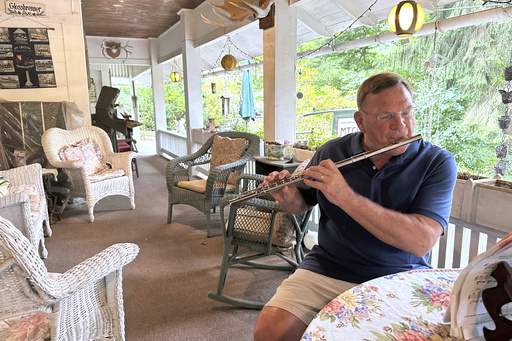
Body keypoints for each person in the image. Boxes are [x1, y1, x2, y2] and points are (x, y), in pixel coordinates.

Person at [253, 72, 457, 341]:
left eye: (406, 112)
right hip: (327, 268)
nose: (401, 125)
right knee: (269, 332)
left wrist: (345, 196)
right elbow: (302, 204)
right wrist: (288, 197)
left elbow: (421, 241)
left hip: (398, 276)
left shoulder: (437, 162)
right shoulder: (331, 151)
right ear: (360, 121)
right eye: (386, 116)